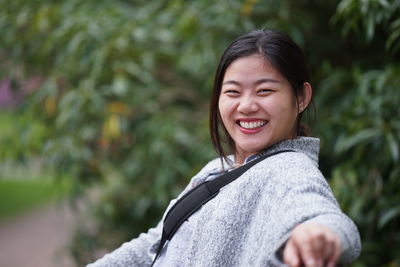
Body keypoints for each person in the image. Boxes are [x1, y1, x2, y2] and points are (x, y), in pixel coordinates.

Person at [88, 29, 361, 267]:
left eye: (264, 91)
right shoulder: (219, 168)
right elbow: (158, 243)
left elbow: (319, 213)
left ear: (301, 98)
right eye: (232, 92)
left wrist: (319, 234)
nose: (246, 105)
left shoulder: (289, 171)